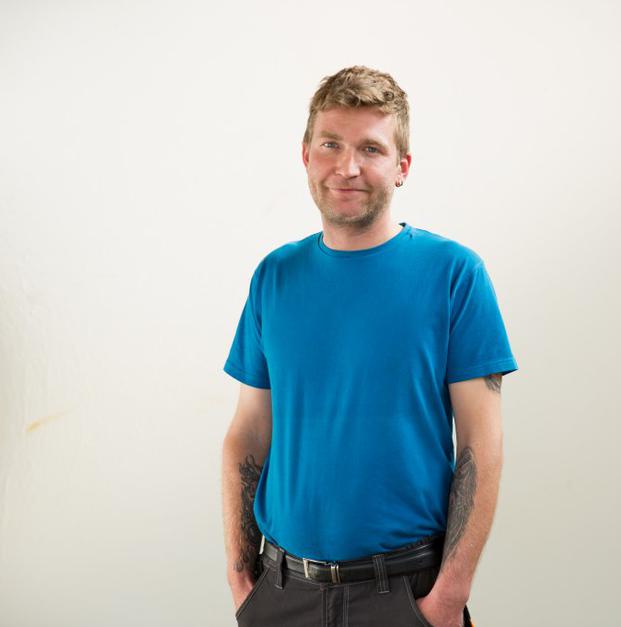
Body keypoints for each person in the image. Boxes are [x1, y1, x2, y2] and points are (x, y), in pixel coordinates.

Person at [221, 65, 518, 627]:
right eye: (330, 144)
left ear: (402, 166)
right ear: (305, 154)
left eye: (371, 149)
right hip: (281, 592)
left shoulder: (454, 274)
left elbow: (482, 445)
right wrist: (242, 580)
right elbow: (249, 432)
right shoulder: (274, 277)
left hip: (406, 593)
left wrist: (448, 598)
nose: (348, 167)